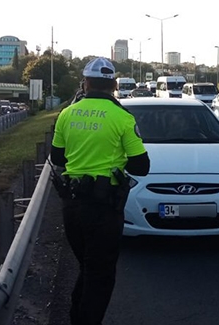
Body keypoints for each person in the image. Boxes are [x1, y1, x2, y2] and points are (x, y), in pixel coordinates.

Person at [50, 57, 150, 325]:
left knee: (87, 266)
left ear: (86, 83)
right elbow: (141, 166)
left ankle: (76, 316)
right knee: (101, 274)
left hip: (71, 206)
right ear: (114, 85)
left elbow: (57, 159)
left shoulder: (67, 114)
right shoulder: (122, 117)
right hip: (104, 209)